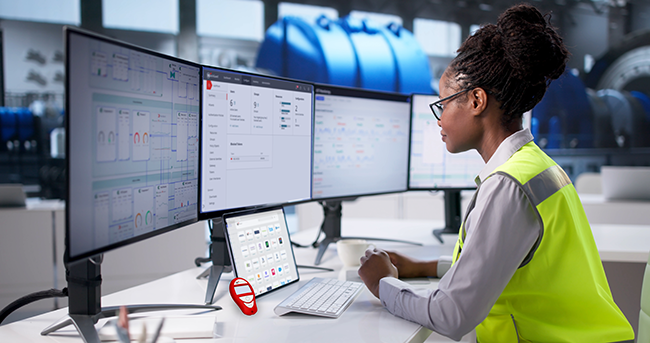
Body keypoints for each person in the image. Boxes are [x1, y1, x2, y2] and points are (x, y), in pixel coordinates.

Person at [357, 4, 635, 342]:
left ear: (476, 101)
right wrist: (423, 267)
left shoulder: (509, 186)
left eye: (443, 104)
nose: (440, 120)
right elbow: (504, 265)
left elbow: (451, 315)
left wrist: (382, 283)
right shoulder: (535, 167)